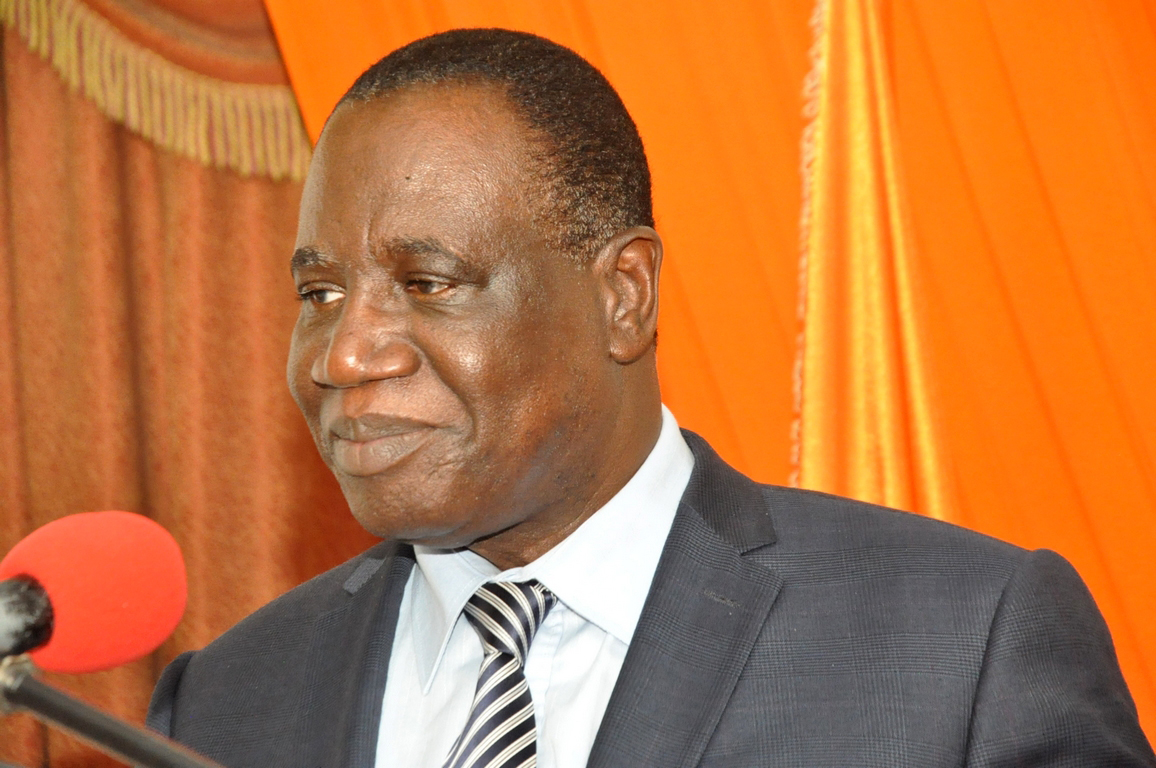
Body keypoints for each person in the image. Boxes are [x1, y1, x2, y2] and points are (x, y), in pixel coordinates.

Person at [146, 28, 1155, 768]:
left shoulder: (962, 649)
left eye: (428, 283)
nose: (344, 354)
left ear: (623, 296)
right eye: (319, 295)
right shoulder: (227, 705)